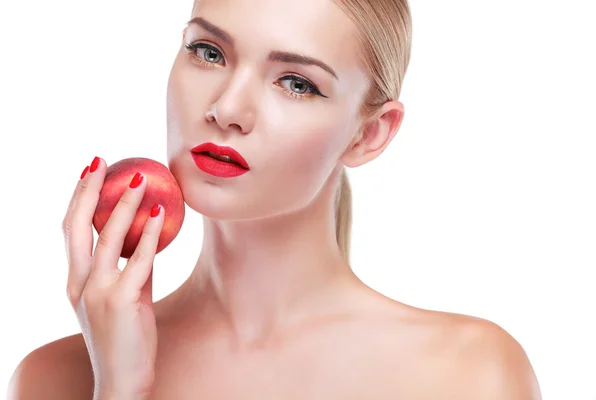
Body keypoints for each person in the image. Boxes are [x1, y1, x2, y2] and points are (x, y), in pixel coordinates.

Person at [8, 0, 542, 398]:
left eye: (296, 83)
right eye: (208, 52)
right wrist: (120, 388)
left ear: (369, 134)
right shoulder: (54, 380)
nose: (227, 108)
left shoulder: (469, 373)